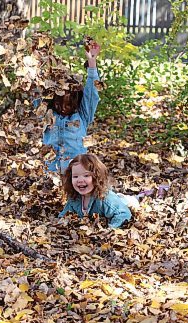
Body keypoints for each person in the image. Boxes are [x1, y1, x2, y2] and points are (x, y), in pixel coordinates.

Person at [41, 41, 101, 173]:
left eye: (68, 104)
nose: (63, 108)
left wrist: (92, 62)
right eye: (58, 103)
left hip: (75, 173)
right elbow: (37, 88)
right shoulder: (47, 114)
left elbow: (92, 93)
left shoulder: (83, 115)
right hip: (51, 173)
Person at [58, 154, 133, 228]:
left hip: (122, 202)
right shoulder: (74, 197)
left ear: (97, 177)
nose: (80, 180)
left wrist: (110, 230)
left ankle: (135, 197)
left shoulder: (105, 199)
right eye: (75, 176)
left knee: (128, 200)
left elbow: (123, 214)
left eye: (86, 175)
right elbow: (65, 214)